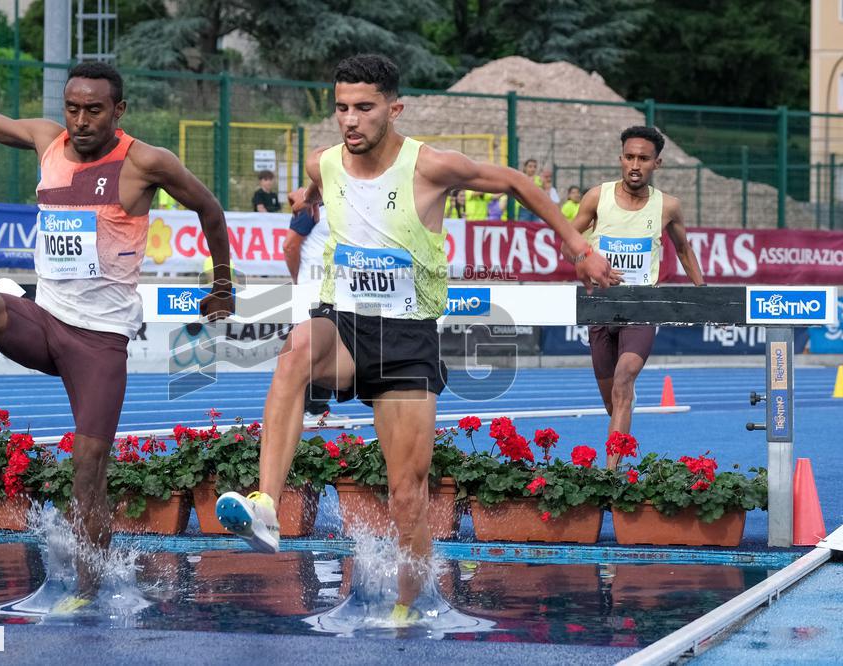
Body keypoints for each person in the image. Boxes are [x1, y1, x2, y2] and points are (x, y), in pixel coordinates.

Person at [214, 54, 611, 622]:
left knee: (407, 493)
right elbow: (314, 190)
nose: (350, 120)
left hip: (406, 337)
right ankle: (267, 505)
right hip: (345, 325)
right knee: (297, 347)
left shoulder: (429, 166)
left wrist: (580, 250)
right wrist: (303, 215)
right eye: (342, 109)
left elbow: (517, 183)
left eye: (365, 108)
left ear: (394, 109)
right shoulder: (325, 162)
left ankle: (411, 604)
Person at [0, 9, 233, 608]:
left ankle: (87, 589)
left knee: (87, 475)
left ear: (117, 111)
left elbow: (211, 211)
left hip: (99, 342)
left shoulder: (145, 162)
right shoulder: (50, 141)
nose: (80, 120)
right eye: (73, 107)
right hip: (45, 320)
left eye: (93, 110)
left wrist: (222, 284)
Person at [570, 126, 705, 469]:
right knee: (614, 401)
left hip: (642, 307)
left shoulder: (668, 206)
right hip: (600, 307)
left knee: (624, 378)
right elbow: (567, 242)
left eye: (643, 158)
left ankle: (610, 475)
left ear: (656, 164)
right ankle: (622, 424)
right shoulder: (595, 197)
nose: (635, 164)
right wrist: (587, 262)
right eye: (629, 157)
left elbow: (685, 250)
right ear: (620, 159)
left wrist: (705, 294)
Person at [282, 187, 338, 421]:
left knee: (328, 349)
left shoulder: (343, 204)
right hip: (312, 287)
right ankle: (302, 410)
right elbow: (289, 246)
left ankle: (316, 409)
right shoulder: (309, 208)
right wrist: (298, 279)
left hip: (334, 288)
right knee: (308, 350)